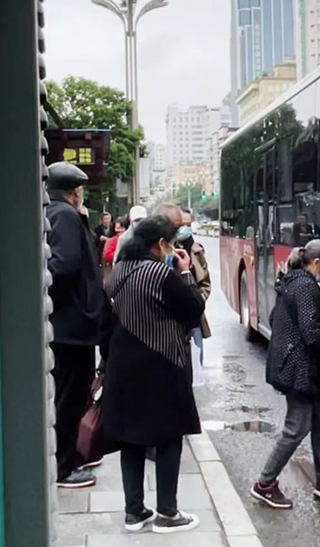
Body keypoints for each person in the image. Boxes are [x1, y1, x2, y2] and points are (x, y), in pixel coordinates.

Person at [102, 215, 205, 534]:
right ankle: (167, 513)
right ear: (160, 244)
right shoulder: (161, 274)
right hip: (162, 365)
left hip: (122, 366)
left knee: (130, 438)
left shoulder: (119, 271)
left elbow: (106, 321)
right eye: (171, 244)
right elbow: (193, 310)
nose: (173, 250)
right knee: (169, 437)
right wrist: (185, 272)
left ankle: (134, 512)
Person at [251, 239, 320, 509]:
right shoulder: (306, 286)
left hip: (294, 364)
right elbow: (311, 333)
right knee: (296, 428)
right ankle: (264, 484)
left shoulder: (291, 281)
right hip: (298, 369)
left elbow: (274, 318)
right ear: (317, 263)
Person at [46, 162, 105, 489]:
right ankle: (63, 467)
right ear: (75, 191)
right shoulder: (65, 215)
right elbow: (65, 264)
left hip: (66, 325)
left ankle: (66, 457)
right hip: (72, 327)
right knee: (70, 398)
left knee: (67, 395)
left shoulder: (56, 213)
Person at [178, 208, 212, 364]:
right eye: (181, 224)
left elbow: (205, 282)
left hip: (194, 314)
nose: (185, 228)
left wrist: (198, 300)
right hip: (174, 317)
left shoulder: (197, 250)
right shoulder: (165, 249)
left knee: (196, 359)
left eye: (188, 224)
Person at [102, 216, 129, 283]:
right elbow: (107, 255)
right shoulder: (114, 239)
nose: (120, 230)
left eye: (122, 228)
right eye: (118, 228)